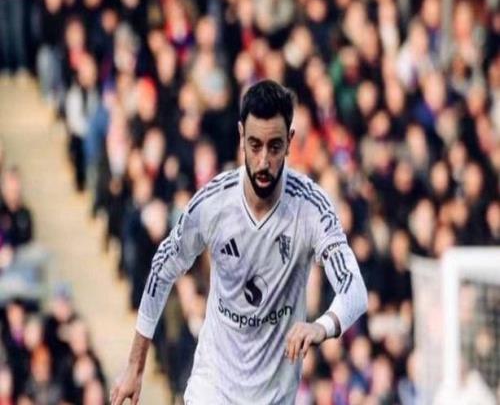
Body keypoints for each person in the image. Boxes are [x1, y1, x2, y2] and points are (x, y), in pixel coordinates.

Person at [110, 80, 368, 404]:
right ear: (241, 136)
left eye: (274, 147)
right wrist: (135, 365)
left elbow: (355, 290)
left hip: (273, 397)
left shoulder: (310, 207)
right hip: (213, 389)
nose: (263, 161)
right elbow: (162, 268)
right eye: (255, 145)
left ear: (290, 141)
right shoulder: (214, 203)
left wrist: (323, 326)